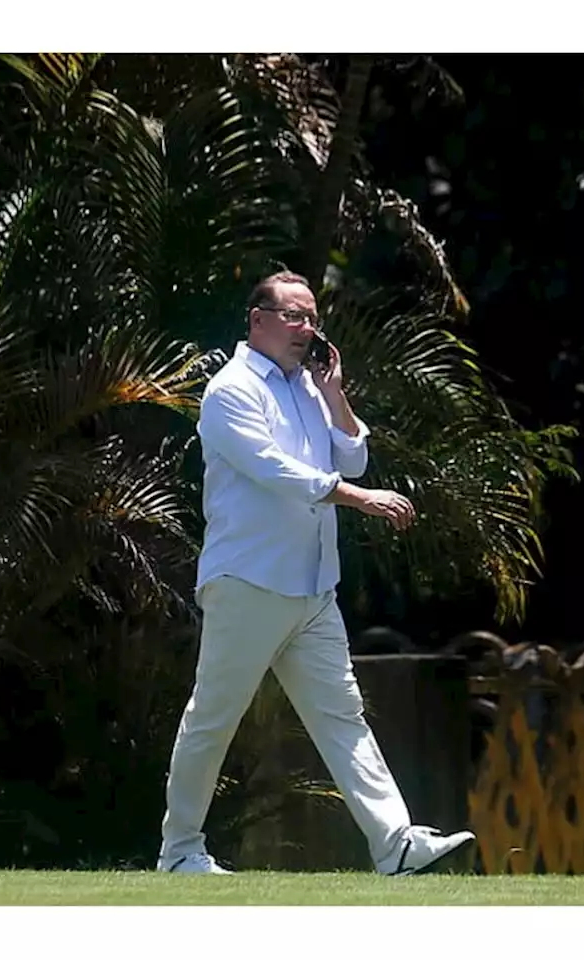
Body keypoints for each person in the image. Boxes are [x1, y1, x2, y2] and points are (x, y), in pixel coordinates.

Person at [156, 270, 476, 876]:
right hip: (249, 580)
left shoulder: (306, 386)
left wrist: (334, 395)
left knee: (343, 717)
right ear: (259, 320)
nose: (308, 329)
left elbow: (352, 451)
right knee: (215, 718)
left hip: (311, 587)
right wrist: (360, 500)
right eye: (295, 317)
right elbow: (276, 471)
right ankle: (180, 853)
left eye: (312, 319)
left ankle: (395, 844)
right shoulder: (230, 390)